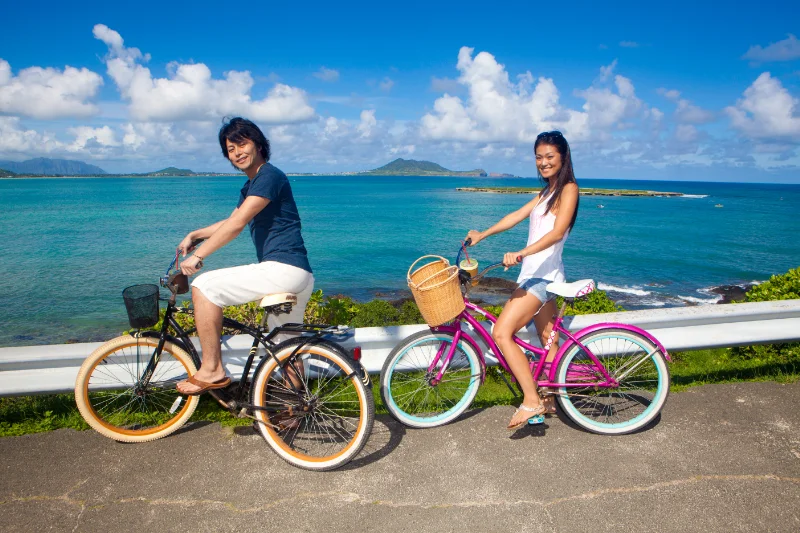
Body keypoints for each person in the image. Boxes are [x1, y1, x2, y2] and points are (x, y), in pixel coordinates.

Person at [175, 117, 315, 395]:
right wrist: (196, 234)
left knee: (204, 286)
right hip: (301, 275)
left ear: (259, 144)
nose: (237, 152)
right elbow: (232, 220)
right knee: (285, 348)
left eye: (242, 144)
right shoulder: (254, 185)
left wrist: (198, 256)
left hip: (282, 269)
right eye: (230, 149)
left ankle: (213, 369)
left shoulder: (269, 176)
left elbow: (237, 226)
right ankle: (294, 408)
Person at [465, 131, 579, 430]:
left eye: (549, 156)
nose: (543, 162)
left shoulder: (568, 189)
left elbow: (556, 233)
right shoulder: (547, 192)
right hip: (542, 276)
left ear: (563, 157)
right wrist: (482, 234)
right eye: (538, 157)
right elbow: (515, 216)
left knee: (501, 333)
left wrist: (521, 252)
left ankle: (531, 400)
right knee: (547, 339)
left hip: (541, 278)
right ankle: (552, 398)